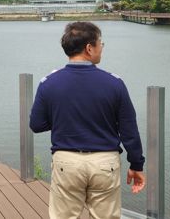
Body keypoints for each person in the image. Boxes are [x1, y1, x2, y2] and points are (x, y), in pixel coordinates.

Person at [30, 21, 146, 219]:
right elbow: (129, 130)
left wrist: (63, 118)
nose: (102, 48)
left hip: (66, 161)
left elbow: (37, 124)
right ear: (89, 48)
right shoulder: (114, 83)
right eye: (101, 44)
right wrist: (136, 165)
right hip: (104, 163)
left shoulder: (49, 83)